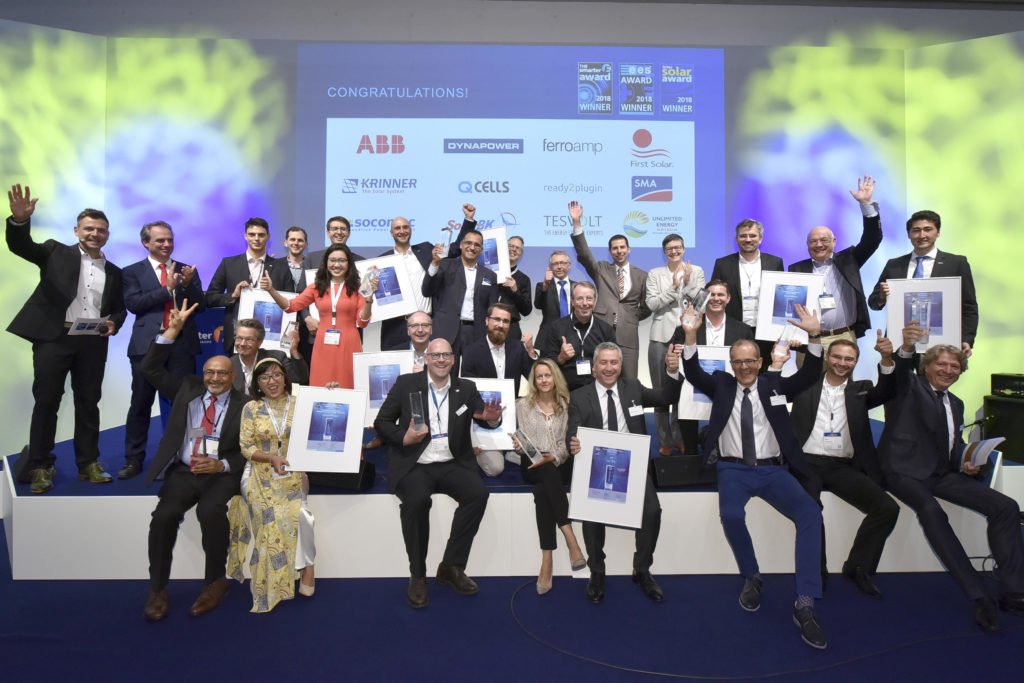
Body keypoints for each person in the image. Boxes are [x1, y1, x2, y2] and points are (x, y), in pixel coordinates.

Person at [677, 303, 829, 649]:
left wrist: (815, 336)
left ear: (760, 363)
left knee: (810, 514)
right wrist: (690, 334)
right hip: (732, 468)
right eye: (738, 362)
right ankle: (752, 575)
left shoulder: (774, 386)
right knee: (731, 515)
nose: (744, 367)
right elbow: (694, 371)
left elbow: (809, 375)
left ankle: (805, 601)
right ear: (731, 365)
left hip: (773, 469)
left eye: (750, 361)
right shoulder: (722, 385)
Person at [879, 331, 1024, 633]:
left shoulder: (955, 403)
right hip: (902, 472)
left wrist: (970, 464)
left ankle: (1013, 590)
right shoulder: (908, 386)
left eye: (955, 366)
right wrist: (906, 347)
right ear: (926, 367)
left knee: (1007, 507)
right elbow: (900, 371)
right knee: (932, 511)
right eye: (941, 364)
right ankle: (979, 596)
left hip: (942, 474)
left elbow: (953, 447)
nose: (948, 370)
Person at [6, 184, 126, 494]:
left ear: (107, 235)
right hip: (54, 338)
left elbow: (119, 309)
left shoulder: (115, 272)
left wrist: (113, 322)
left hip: (93, 341)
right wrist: (19, 221)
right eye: (89, 228)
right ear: (76, 231)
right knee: (47, 401)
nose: (94, 234)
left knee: (89, 402)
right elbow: (21, 246)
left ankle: (88, 463)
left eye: (100, 230)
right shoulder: (54, 251)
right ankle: (40, 465)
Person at [373, 339, 501, 609]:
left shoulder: (466, 388)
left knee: (478, 494)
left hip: (452, 462)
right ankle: (418, 575)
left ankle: (451, 566)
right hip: (416, 462)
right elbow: (381, 422)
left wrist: (492, 419)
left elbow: (484, 415)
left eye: (446, 355)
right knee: (417, 501)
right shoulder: (406, 384)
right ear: (426, 360)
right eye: (436, 355)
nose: (441, 360)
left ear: (453, 360)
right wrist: (404, 438)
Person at [141, 299, 247, 622]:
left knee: (210, 512)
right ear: (204, 373)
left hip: (220, 474)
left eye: (222, 373)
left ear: (232, 376)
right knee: (164, 516)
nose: (215, 378)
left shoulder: (245, 405)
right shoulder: (187, 388)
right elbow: (150, 369)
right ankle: (157, 587)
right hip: (185, 470)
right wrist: (171, 331)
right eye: (210, 372)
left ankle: (215, 581)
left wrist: (222, 465)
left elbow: (248, 450)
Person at [567, 342, 680, 604]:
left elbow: (666, 397)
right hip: (596, 466)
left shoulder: (634, 388)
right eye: (603, 363)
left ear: (621, 365)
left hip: (634, 466)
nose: (609, 368)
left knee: (652, 511)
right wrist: (573, 443)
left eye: (614, 362)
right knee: (592, 514)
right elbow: (572, 431)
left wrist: (672, 372)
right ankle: (597, 570)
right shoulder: (579, 396)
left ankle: (641, 569)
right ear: (594, 367)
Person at [788, 335, 901, 597]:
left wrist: (886, 359)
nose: (842, 363)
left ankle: (858, 566)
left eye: (849, 359)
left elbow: (887, 390)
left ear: (856, 362)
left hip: (842, 466)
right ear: (827, 357)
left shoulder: (861, 389)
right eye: (837, 357)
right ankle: (816, 573)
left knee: (887, 508)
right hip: (806, 463)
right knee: (811, 510)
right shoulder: (805, 384)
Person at [227, 357, 316, 612]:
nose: (272, 381)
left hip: (293, 470)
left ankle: (308, 566)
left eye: (276, 375)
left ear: (285, 378)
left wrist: (330, 392)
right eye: (264, 377)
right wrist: (270, 458)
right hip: (259, 471)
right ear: (257, 383)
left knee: (301, 515)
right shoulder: (251, 408)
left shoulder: (300, 404)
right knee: (270, 518)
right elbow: (246, 447)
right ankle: (273, 582)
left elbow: (322, 419)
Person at [120, 220, 205, 479]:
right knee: (140, 403)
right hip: (147, 346)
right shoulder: (132, 272)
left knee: (185, 403)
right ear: (146, 242)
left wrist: (187, 285)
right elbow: (134, 304)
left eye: (170, 239)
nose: (167, 244)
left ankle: (182, 455)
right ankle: (134, 459)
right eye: (160, 240)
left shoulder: (186, 269)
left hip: (181, 346)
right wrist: (167, 290)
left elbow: (199, 304)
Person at [513, 359, 586, 594]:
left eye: (548, 375)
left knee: (543, 490)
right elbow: (521, 441)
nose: (544, 380)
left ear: (555, 378)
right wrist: (518, 445)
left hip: (557, 462)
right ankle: (571, 540)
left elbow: (565, 444)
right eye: (539, 376)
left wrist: (553, 457)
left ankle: (547, 559)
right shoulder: (521, 406)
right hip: (532, 462)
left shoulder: (566, 405)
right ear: (534, 381)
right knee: (544, 472)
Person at [788, 176, 882, 350]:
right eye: (813, 241)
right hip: (810, 339)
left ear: (834, 241)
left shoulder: (849, 260)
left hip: (844, 337)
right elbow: (788, 306)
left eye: (824, 240)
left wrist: (866, 205)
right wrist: (790, 335)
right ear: (807, 245)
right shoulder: (796, 269)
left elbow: (872, 239)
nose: (819, 245)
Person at [868, 210, 978, 357]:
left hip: (941, 344)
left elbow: (969, 307)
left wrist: (966, 339)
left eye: (928, 229)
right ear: (909, 234)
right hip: (900, 342)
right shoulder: (894, 265)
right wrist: (882, 297)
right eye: (916, 230)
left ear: (938, 232)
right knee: (896, 373)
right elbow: (873, 303)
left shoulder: (956, 263)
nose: (922, 235)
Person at [263, 243, 373, 388]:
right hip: (323, 342)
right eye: (333, 260)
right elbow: (290, 307)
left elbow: (363, 321)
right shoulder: (316, 287)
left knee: (348, 384)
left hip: (349, 342)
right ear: (326, 262)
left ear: (349, 264)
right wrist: (271, 290)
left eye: (342, 260)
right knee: (321, 383)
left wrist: (369, 300)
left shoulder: (358, 288)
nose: (337, 265)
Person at [668, 280, 754, 454]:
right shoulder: (685, 328)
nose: (716, 298)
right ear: (705, 298)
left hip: (729, 388)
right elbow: (673, 362)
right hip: (692, 389)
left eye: (720, 294)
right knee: (690, 444)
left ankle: (724, 453)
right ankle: (691, 454)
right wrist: (671, 364)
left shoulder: (743, 330)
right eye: (711, 295)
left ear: (728, 298)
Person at [569, 200, 650, 378]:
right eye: (615, 248)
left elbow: (647, 306)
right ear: (610, 251)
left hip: (628, 336)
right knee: (598, 377)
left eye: (622, 247)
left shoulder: (642, 275)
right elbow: (584, 254)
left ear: (629, 249)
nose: (619, 251)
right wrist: (577, 223)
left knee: (629, 380)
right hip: (600, 331)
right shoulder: (601, 269)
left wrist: (630, 316)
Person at [461, 303, 538, 476]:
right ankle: (496, 449)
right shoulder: (471, 351)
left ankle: (510, 449)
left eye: (505, 321)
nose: (501, 325)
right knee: (496, 469)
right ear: (486, 321)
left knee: (536, 457)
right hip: (484, 420)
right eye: (496, 319)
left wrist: (531, 351)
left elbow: (535, 378)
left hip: (513, 417)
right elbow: (467, 394)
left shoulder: (518, 348)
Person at [646, 233, 705, 455]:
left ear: (684, 248)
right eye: (669, 248)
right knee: (661, 392)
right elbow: (652, 304)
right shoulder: (655, 274)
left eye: (678, 247)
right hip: (660, 336)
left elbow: (701, 302)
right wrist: (673, 288)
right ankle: (664, 441)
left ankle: (680, 438)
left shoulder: (696, 271)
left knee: (683, 391)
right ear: (664, 251)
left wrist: (687, 284)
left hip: (686, 335)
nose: (674, 251)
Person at [422, 204, 498, 365]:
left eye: (477, 245)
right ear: (461, 245)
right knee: (445, 373)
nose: (472, 247)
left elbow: (492, 309)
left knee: (474, 374)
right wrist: (434, 264)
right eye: (468, 243)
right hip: (446, 330)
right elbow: (427, 290)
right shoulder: (445, 265)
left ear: (481, 249)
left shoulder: (490, 276)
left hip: (476, 333)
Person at [205, 217, 290, 353]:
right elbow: (210, 298)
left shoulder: (281, 267)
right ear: (245, 236)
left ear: (268, 237)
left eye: (261, 235)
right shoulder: (228, 264)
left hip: (271, 339)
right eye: (252, 234)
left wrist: (272, 290)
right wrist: (233, 295)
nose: (256, 239)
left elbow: (291, 303)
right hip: (237, 338)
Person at [709, 218, 784, 362]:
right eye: (743, 236)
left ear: (760, 238)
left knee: (765, 368)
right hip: (734, 328)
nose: (748, 239)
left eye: (752, 235)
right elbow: (714, 295)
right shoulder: (722, 264)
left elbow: (780, 297)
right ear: (737, 239)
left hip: (766, 331)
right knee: (734, 367)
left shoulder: (775, 262)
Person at [536, 281, 616, 391]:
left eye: (589, 299)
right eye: (580, 299)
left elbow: (615, 362)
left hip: (598, 389)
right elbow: (545, 364)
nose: (585, 303)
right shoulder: (556, 328)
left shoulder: (606, 330)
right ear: (572, 302)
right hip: (565, 390)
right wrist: (561, 358)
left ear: (595, 301)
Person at [379, 215, 433, 351]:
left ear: (411, 230)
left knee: (427, 363)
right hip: (395, 326)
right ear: (391, 233)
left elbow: (453, 250)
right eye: (397, 228)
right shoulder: (381, 260)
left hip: (424, 325)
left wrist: (468, 221)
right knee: (394, 362)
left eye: (405, 227)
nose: (402, 231)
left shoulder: (426, 250)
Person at [229, 318, 308, 394]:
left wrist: (293, 350)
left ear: (260, 342)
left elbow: (300, 378)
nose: (242, 344)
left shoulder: (277, 358)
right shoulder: (229, 364)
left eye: (249, 339)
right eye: (239, 338)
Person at [279, 226, 316, 363]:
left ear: (306, 244)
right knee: (283, 363)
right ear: (285, 243)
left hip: (308, 325)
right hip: (282, 323)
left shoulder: (314, 267)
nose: (296, 243)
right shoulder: (275, 266)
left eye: (300, 240)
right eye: (292, 239)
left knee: (305, 363)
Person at [496, 235, 533, 342]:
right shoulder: (489, 271)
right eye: (511, 246)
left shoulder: (524, 279)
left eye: (517, 248)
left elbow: (526, 310)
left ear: (521, 253)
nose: (514, 249)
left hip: (511, 329)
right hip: (488, 326)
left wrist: (516, 291)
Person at [534, 250, 575, 341]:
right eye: (555, 264)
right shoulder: (542, 286)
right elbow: (538, 305)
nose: (559, 267)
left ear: (569, 265)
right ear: (550, 267)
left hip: (573, 335)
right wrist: (545, 285)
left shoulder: (577, 287)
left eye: (562, 263)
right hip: (548, 337)